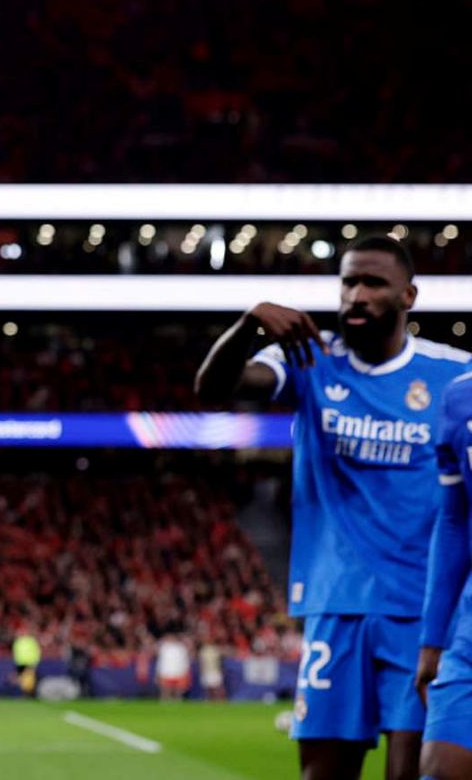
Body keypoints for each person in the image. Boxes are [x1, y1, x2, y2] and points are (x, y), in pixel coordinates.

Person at [196, 236, 471, 780]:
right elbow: (213, 390)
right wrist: (250, 323)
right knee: (321, 774)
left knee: (410, 772)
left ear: (407, 296)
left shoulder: (454, 377)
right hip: (335, 606)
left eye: (373, 284)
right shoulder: (309, 357)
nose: (356, 296)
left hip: (420, 612)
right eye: (348, 283)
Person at [415, 372, 472, 779]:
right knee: (439, 768)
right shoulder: (460, 396)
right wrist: (433, 640)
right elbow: (454, 520)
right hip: (469, 636)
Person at [156, 632, 191, 701]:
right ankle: (164, 709)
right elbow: (160, 662)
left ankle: (177, 709)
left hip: (179, 674)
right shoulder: (163, 647)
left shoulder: (182, 648)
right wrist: (158, 674)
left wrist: (186, 673)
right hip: (166, 674)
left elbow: (185, 662)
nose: (170, 639)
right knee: (166, 693)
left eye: (172, 637)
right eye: (169, 637)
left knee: (178, 694)